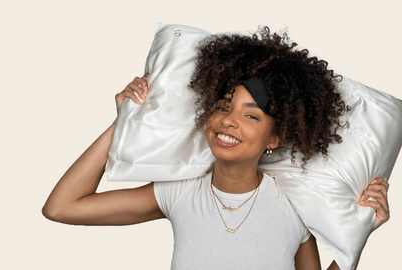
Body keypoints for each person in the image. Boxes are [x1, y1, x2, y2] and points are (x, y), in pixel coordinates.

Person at [42, 27, 389, 269]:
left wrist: (360, 233)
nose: (228, 120)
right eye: (223, 106)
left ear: (274, 139)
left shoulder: (294, 205)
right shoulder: (179, 191)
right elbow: (61, 208)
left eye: (251, 116)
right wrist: (125, 121)